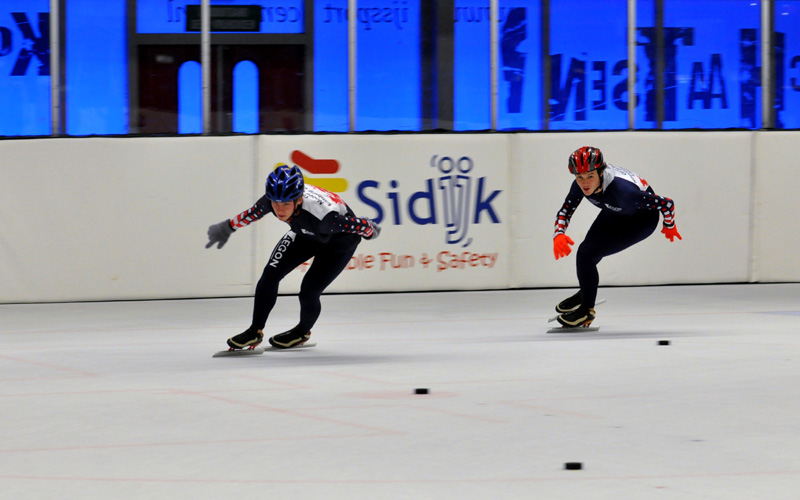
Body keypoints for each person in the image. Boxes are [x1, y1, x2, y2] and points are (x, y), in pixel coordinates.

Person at [205, 164, 381, 349]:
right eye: (276, 203)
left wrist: (369, 229)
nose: (280, 209)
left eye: (286, 204)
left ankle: (302, 331)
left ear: (299, 200)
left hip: (337, 242)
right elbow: (251, 214)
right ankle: (254, 331)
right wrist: (226, 227)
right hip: (305, 233)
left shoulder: (325, 217)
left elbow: (360, 225)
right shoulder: (270, 202)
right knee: (270, 274)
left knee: (309, 291)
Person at [552, 146, 681, 327]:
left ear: (601, 172)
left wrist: (669, 225)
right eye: (579, 177)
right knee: (587, 256)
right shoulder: (580, 186)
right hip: (614, 210)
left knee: (585, 254)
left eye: (590, 176)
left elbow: (667, 204)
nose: (585, 183)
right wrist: (558, 234)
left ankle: (586, 310)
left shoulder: (623, 192)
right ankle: (588, 290)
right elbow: (565, 211)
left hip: (641, 220)